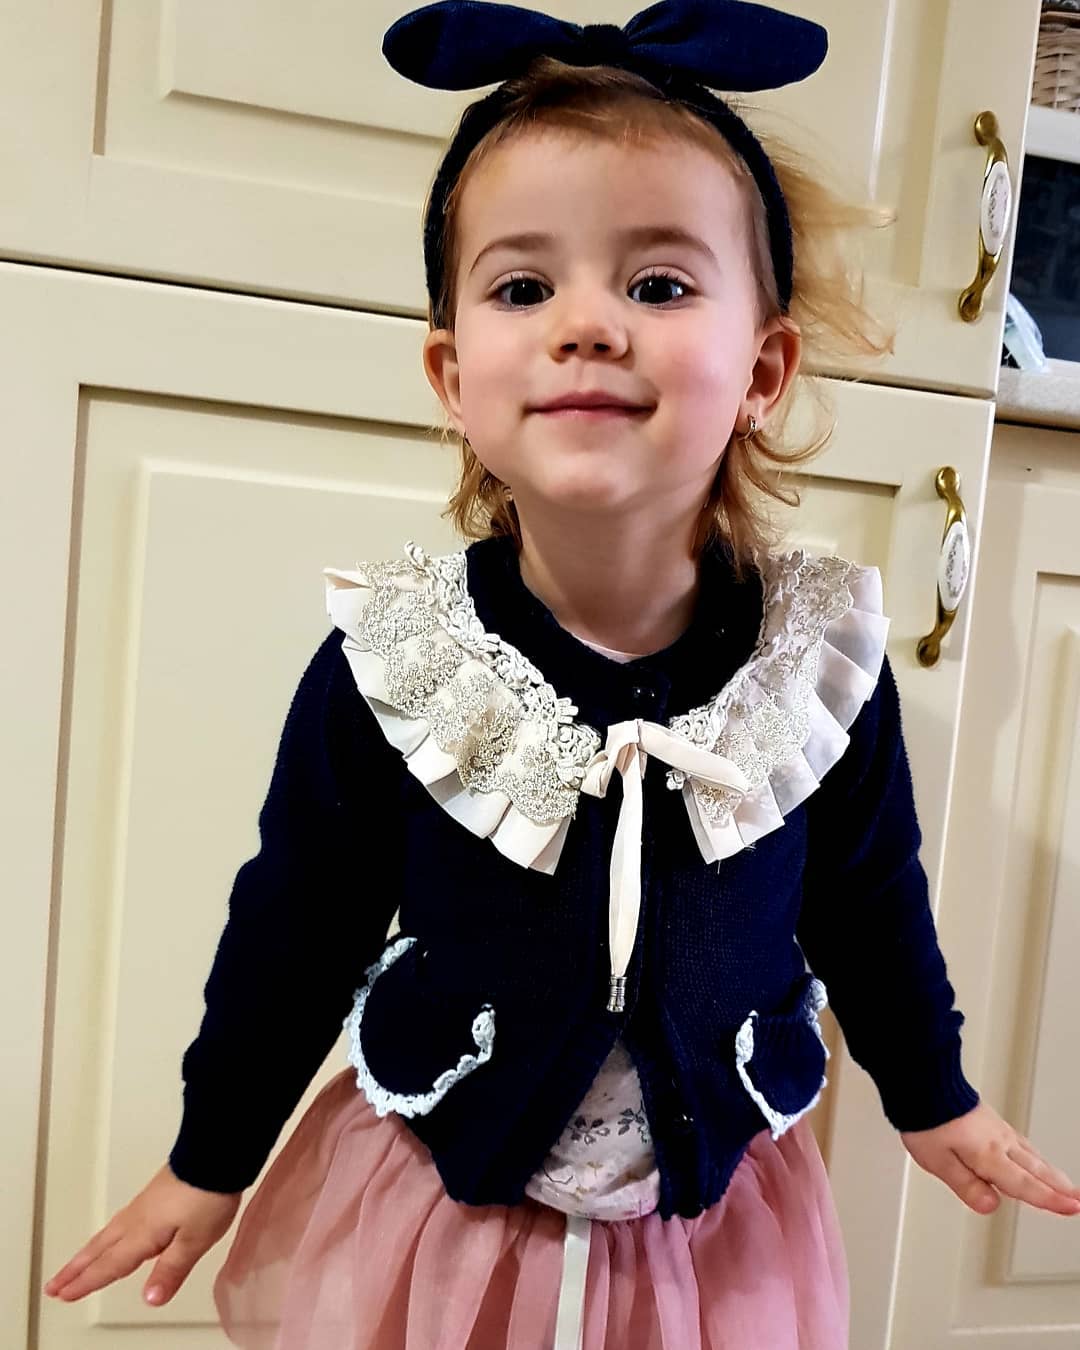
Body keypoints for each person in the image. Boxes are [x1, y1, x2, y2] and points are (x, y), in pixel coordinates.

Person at [44, 2, 1080, 1347]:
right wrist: (210, 1157)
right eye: (523, 288)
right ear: (451, 373)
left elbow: (871, 904)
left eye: (659, 285)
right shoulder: (398, 664)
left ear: (764, 368)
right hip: (445, 1215)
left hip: (712, 1238)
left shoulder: (816, 669)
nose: (587, 324)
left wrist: (936, 1095)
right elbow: (295, 928)